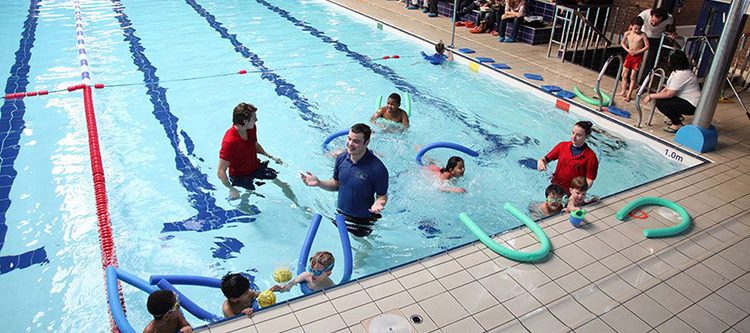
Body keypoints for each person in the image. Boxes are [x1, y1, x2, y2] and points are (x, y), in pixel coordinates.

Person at [301, 123, 388, 237]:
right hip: (340, 214)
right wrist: (319, 183)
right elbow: (336, 184)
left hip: (363, 221)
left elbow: (382, 195)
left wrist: (378, 203)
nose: (350, 144)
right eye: (349, 138)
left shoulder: (377, 168)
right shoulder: (341, 159)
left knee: (362, 245)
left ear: (366, 143)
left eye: (356, 141)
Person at [218, 102, 283, 199]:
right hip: (240, 176)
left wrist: (270, 156)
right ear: (245, 121)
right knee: (250, 192)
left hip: (255, 167)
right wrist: (231, 189)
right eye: (254, 118)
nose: (256, 120)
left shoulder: (251, 128)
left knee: (281, 183)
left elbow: (254, 144)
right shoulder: (229, 142)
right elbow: (220, 171)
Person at [643, 50, 701, 133]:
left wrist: (651, 96)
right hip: (686, 101)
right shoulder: (677, 71)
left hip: (692, 105)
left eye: (669, 59)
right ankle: (677, 117)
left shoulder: (681, 75)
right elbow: (668, 87)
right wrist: (657, 95)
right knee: (660, 100)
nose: (668, 61)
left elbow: (670, 94)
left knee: (662, 104)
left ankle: (677, 124)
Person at [537, 121, 599, 195]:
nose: (573, 137)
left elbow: (590, 180)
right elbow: (545, 159)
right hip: (556, 188)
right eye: (573, 133)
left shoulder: (591, 156)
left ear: (586, 136)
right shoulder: (562, 146)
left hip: (573, 192)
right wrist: (540, 162)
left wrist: (579, 193)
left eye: (578, 135)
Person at [637, 8, 677, 81]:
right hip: (643, 35)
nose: (654, 24)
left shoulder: (669, 18)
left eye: (657, 22)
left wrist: (673, 31)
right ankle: (630, 81)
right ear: (651, 16)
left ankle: (642, 83)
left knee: (650, 61)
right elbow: (634, 23)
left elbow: (672, 23)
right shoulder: (645, 14)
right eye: (652, 21)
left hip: (656, 38)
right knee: (636, 58)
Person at [270, 251, 335, 292]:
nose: (312, 274)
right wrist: (281, 288)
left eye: (316, 272)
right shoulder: (306, 276)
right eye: (310, 269)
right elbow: (290, 285)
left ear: (328, 273)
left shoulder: (330, 287)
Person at [618, 16, 649, 102]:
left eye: (639, 29)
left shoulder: (643, 35)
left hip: (637, 57)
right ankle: (623, 91)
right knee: (624, 74)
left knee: (632, 76)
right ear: (631, 26)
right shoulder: (627, 33)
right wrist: (627, 50)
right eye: (635, 29)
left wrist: (637, 52)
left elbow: (647, 46)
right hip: (629, 55)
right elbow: (622, 42)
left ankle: (629, 95)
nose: (637, 31)